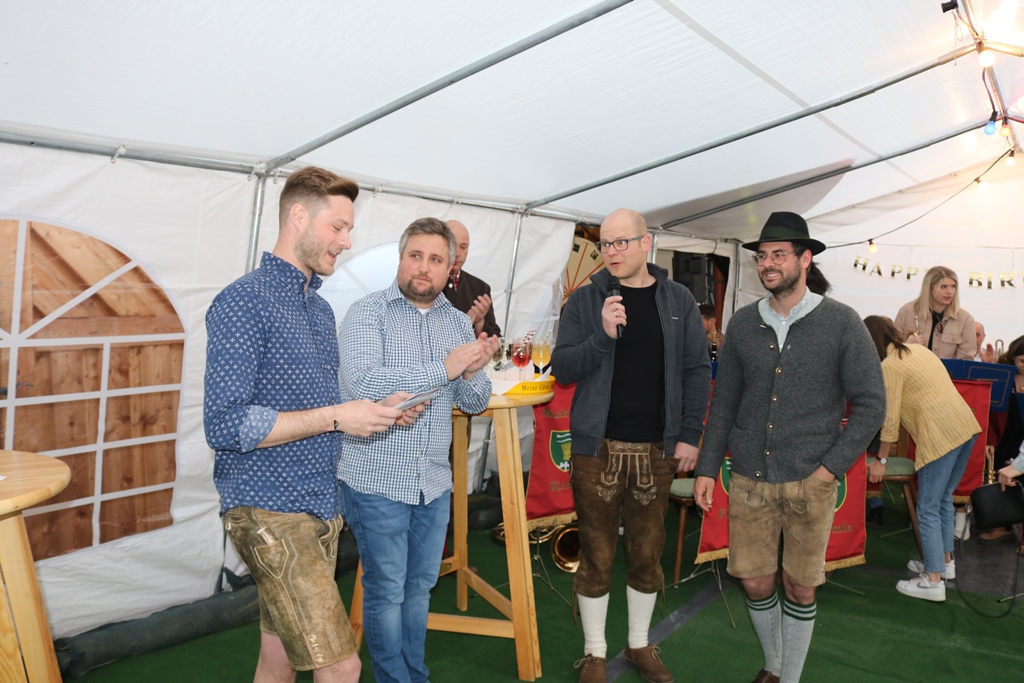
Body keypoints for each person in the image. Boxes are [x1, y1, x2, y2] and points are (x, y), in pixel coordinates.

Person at [204, 166, 413, 683]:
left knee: (278, 657)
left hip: (318, 504)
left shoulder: (318, 310)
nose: (346, 241)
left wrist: (374, 409)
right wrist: (339, 415)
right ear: (298, 216)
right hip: (268, 511)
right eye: (337, 226)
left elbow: (317, 408)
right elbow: (225, 424)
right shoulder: (243, 300)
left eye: (349, 229)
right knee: (341, 665)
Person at [693, 212, 885, 683]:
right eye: (762, 256)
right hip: (749, 478)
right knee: (755, 581)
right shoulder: (743, 323)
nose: (768, 264)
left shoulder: (841, 322)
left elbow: (871, 403)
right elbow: (725, 402)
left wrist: (829, 470)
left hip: (810, 480)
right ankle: (775, 666)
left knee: (800, 587)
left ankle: (788, 677)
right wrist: (707, 467)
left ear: (805, 258)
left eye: (779, 255)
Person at [551, 208, 711, 683]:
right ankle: (595, 652)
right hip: (595, 449)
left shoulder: (679, 299)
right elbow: (563, 368)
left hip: (657, 450)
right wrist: (602, 336)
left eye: (622, 242)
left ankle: (639, 644)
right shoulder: (585, 300)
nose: (612, 252)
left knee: (646, 552)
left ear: (646, 244)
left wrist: (690, 435)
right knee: (596, 553)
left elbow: (696, 370)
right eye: (606, 243)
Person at [337, 217, 497, 683]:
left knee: (420, 587)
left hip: (433, 482)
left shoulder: (457, 322)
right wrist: (444, 368)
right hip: (376, 479)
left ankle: (414, 675)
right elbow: (364, 384)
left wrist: (472, 371)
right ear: (401, 258)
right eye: (416, 256)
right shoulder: (367, 313)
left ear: (451, 268)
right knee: (387, 590)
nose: (424, 267)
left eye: (436, 259)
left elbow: (474, 402)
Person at [863, 316, 981, 601]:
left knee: (926, 508)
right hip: (966, 427)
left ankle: (932, 580)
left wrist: (881, 460)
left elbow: (889, 420)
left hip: (940, 438)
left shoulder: (889, 366)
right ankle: (944, 563)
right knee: (943, 500)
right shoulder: (919, 350)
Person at [977, 334, 1024, 542]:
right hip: (1005, 434)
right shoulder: (1004, 375)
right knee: (1001, 475)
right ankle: (1002, 524)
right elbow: (990, 409)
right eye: (1021, 361)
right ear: (1013, 357)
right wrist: (989, 438)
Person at [893, 265, 977, 360]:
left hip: (946, 370)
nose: (950, 292)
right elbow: (891, 352)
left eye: (953, 286)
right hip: (910, 368)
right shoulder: (907, 311)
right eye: (943, 287)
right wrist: (908, 346)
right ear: (930, 288)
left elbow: (965, 360)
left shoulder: (965, 320)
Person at [443, 219, 501, 337]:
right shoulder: (426, 283)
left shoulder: (481, 288)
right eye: (452, 245)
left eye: (463, 247)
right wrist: (468, 321)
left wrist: (480, 323)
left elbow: (495, 336)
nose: (457, 253)